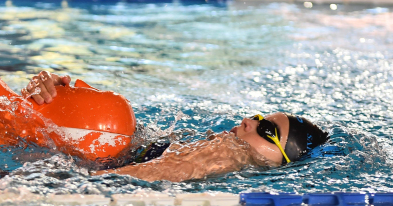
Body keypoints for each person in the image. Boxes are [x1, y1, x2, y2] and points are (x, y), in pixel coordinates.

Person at [23, 71, 328, 183]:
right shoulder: (202, 145)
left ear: (282, 162)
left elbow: (115, 180)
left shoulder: (226, 154)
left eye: (268, 131)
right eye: (259, 118)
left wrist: (58, 182)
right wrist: (63, 100)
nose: (249, 122)